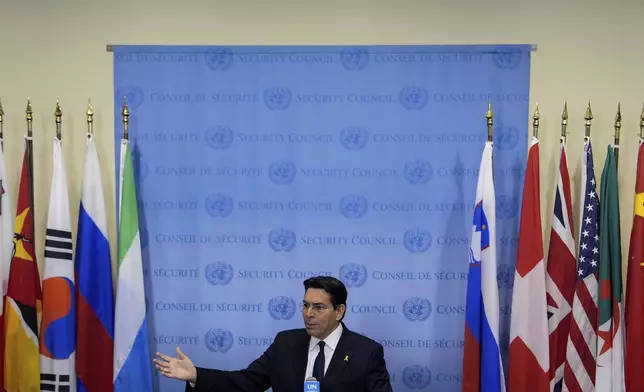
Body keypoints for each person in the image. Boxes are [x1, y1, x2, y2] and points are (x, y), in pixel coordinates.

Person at [153, 275, 393, 392]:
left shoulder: (366, 352)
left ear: (339, 311)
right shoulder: (286, 342)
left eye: (319, 307)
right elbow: (246, 382)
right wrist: (196, 375)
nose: (309, 313)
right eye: (305, 305)